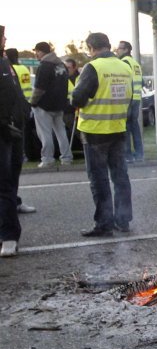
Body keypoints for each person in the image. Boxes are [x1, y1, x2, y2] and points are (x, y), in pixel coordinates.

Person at [70, 32, 134, 237]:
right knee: (120, 177)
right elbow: (130, 97)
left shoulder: (93, 67)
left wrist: (75, 100)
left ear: (91, 47)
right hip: (118, 128)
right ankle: (123, 220)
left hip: (95, 130)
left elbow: (78, 98)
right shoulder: (125, 67)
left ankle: (104, 224)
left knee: (99, 180)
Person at [0, 26, 28, 257]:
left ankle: (9, 236)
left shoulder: (5, 62)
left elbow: (14, 95)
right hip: (5, 128)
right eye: (2, 36)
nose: (5, 39)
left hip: (11, 131)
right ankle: (8, 235)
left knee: (7, 181)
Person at [31, 42, 72, 167]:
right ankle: (66, 158)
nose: (36, 54)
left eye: (37, 51)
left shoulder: (44, 66)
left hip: (44, 105)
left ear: (42, 51)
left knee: (45, 133)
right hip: (59, 104)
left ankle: (47, 159)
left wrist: (33, 102)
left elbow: (39, 88)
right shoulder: (61, 65)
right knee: (61, 132)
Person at [115, 41, 144, 162]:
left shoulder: (123, 62)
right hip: (136, 98)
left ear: (126, 49)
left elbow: (122, 81)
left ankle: (128, 156)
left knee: (125, 127)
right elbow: (140, 82)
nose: (117, 50)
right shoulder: (135, 63)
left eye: (119, 48)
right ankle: (139, 154)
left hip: (127, 99)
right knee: (134, 127)